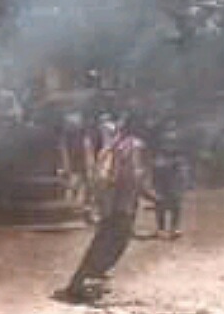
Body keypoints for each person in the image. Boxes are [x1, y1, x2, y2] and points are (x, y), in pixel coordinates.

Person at [59, 116, 148, 302]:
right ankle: (84, 282)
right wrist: (147, 194)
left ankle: (82, 281)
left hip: (113, 203)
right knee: (113, 244)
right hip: (120, 204)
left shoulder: (115, 146)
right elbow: (128, 176)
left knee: (104, 243)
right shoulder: (131, 146)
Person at [152, 126, 189, 239]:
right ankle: (160, 228)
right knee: (160, 206)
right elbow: (156, 170)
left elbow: (183, 174)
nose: (170, 145)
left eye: (172, 142)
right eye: (168, 142)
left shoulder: (180, 158)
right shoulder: (160, 156)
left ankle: (174, 228)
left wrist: (182, 185)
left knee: (176, 206)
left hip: (174, 186)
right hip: (162, 186)